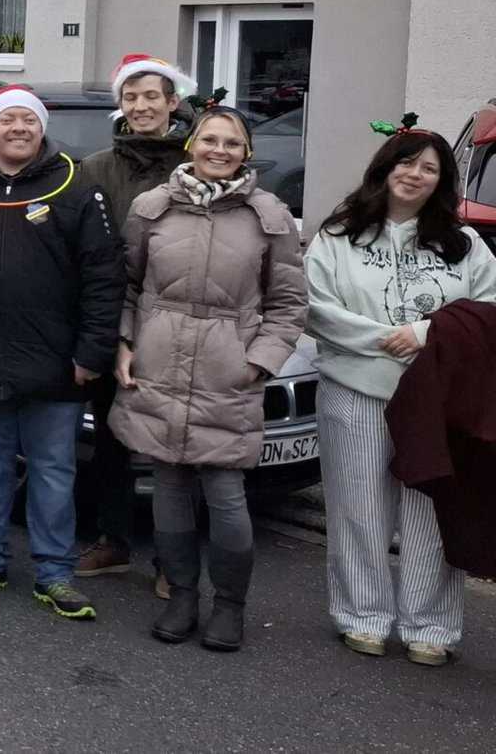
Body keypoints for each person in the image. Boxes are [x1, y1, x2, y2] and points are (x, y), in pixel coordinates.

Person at [109, 106, 306, 652]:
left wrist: (259, 361)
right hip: (159, 363)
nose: (219, 151)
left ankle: (230, 607)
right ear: (192, 143)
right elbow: (126, 285)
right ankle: (182, 596)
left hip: (228, 369)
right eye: (210, 140)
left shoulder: (270, 216)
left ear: (247, 152)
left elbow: (289, 303)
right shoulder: (153, 207)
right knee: (168, 484)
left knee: (225, 490)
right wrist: (123, 343)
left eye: (232, 143)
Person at [306, 123, 496, 666]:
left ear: (442, 181)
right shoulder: (340, 235)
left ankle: (430, 626)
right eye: (406, 162)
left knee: (430, 512)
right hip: (356, 391)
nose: (415, 174)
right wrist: (384, 341)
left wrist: (425, 335)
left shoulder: (465, 243)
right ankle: (362, 618)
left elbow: (489, 310)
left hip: (437, 401)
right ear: (385, 169)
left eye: (429, 168)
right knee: (359, 510)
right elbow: (317, 308)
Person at [0, 87, 122, 619]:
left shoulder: (77, 186)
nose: (18, 128)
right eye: (7, 120)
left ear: (41, 128)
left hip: (56, 361)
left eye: (28, 120)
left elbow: (104, 279)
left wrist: (92, 351)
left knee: (52, 470)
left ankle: (54, 571)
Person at [75, 54, 200, 581]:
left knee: (180, 442)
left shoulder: (198, 164)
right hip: (112, 315)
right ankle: (113, 539)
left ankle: (176, 562)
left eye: (152, 96)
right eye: (131, 97)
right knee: (112, 435)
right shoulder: (98, 167)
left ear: (173, 102)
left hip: (181, 321)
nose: (141, 105)